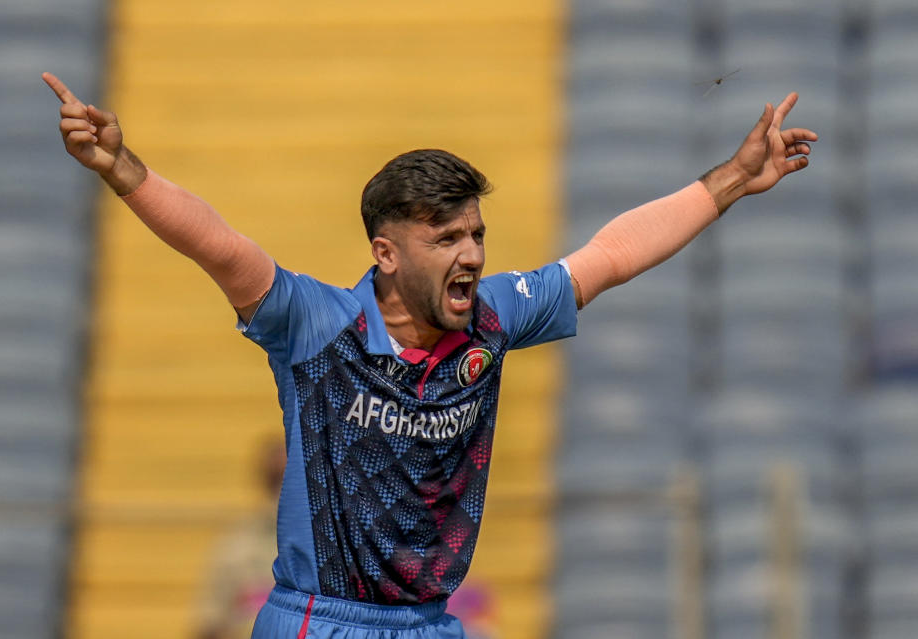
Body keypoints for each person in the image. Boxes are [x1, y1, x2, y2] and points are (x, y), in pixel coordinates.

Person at [43, 71, 816, 638]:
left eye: (475, 233)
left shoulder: (494, 319)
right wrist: (122, 168)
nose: (472, 253)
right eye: (445, 237)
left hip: (428, 624)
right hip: (318, 621)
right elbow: (217, 244)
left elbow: (609, 254)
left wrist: (730, 181)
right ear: (385, 252)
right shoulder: (316, 326)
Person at [194, 438, 286, 639]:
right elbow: (209, 625)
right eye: (276, 480)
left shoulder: (330, 547)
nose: (281, 492)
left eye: (289, 480)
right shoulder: (237, 546)